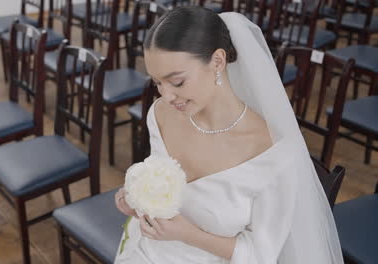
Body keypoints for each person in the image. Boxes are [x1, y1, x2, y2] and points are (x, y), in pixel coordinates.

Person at [114, 6, 343, 264]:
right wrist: (139, 200)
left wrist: (187, 234)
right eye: (157, 82)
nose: (166, 96)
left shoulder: (272, 152)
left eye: (177, 81)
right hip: (144, 252)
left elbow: (260, 255)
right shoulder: (161, 114)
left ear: (218, 61)